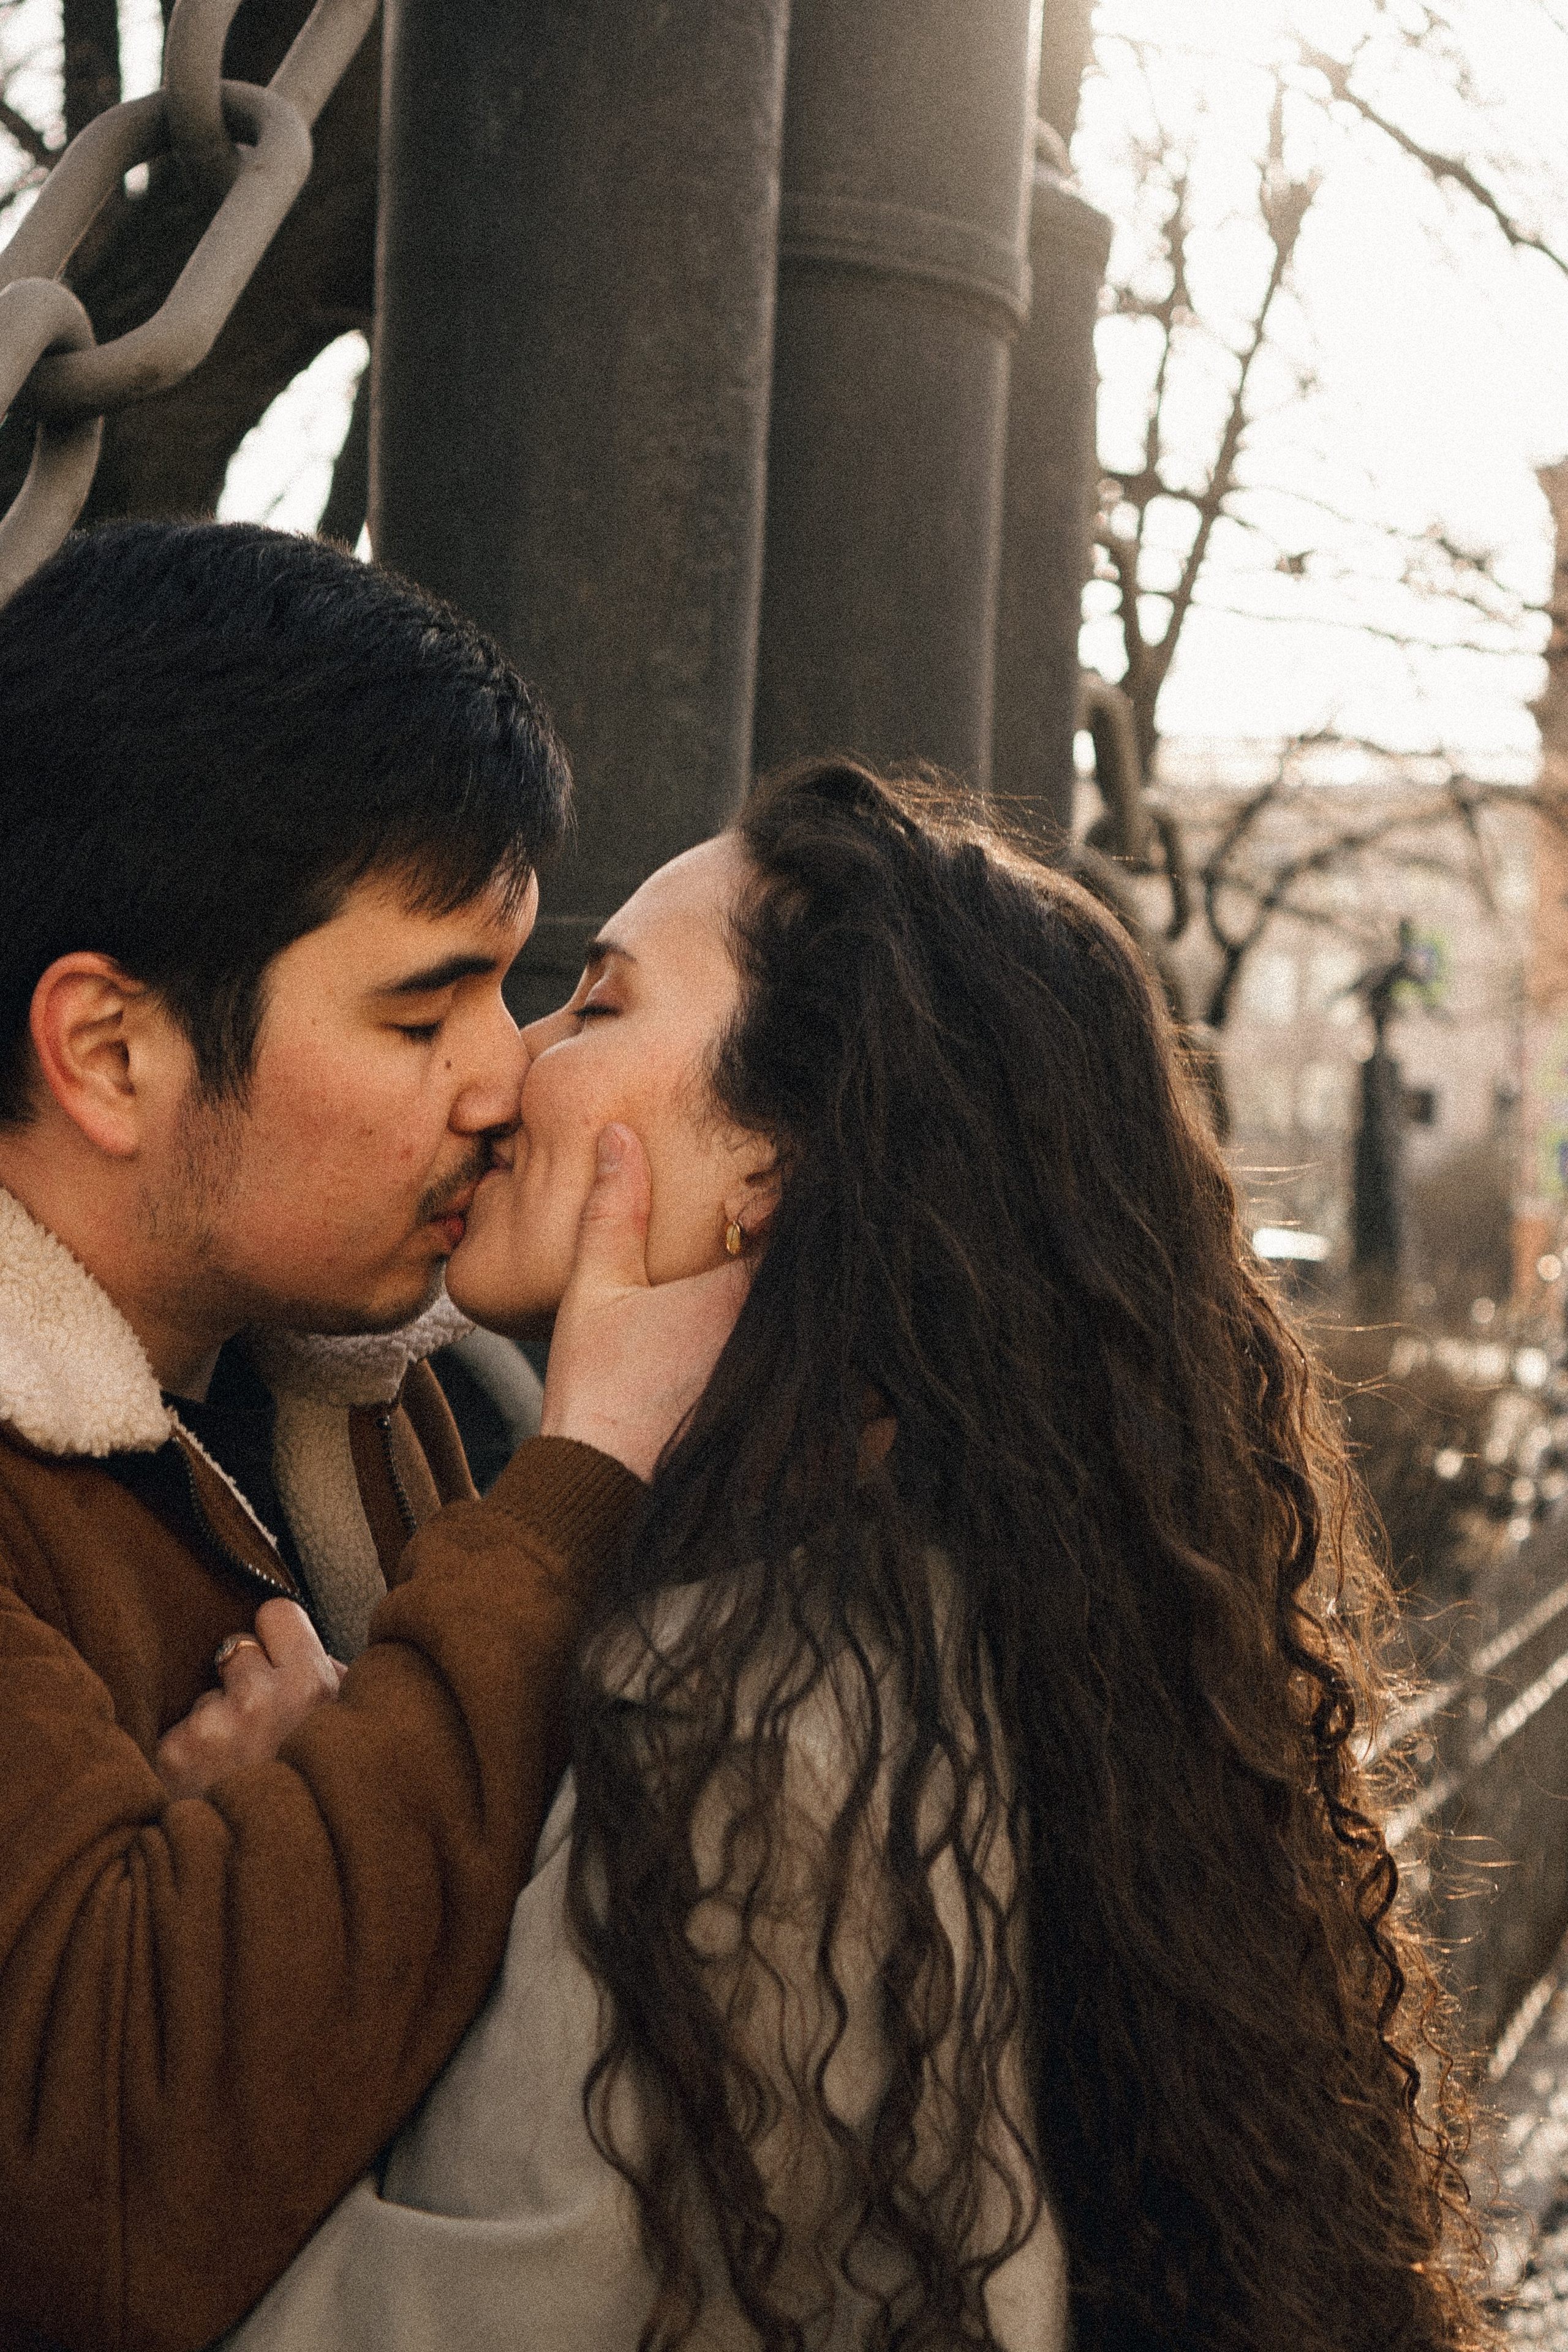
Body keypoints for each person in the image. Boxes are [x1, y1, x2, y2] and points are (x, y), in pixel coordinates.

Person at [202, 760, 1491, 2352]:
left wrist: (277, 1883)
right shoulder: (977, 1599)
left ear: (779, 1167)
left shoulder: (749, 1711)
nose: (507, 1070)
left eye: (592, 1006)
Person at [0, 521, 744, 2352]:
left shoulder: (370, 1391)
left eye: (515, 984)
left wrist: (276, 1839)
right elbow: (111, 2190)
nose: (507, 1079)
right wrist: (578, 1496)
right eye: (423, 1012)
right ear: (109, 1051)